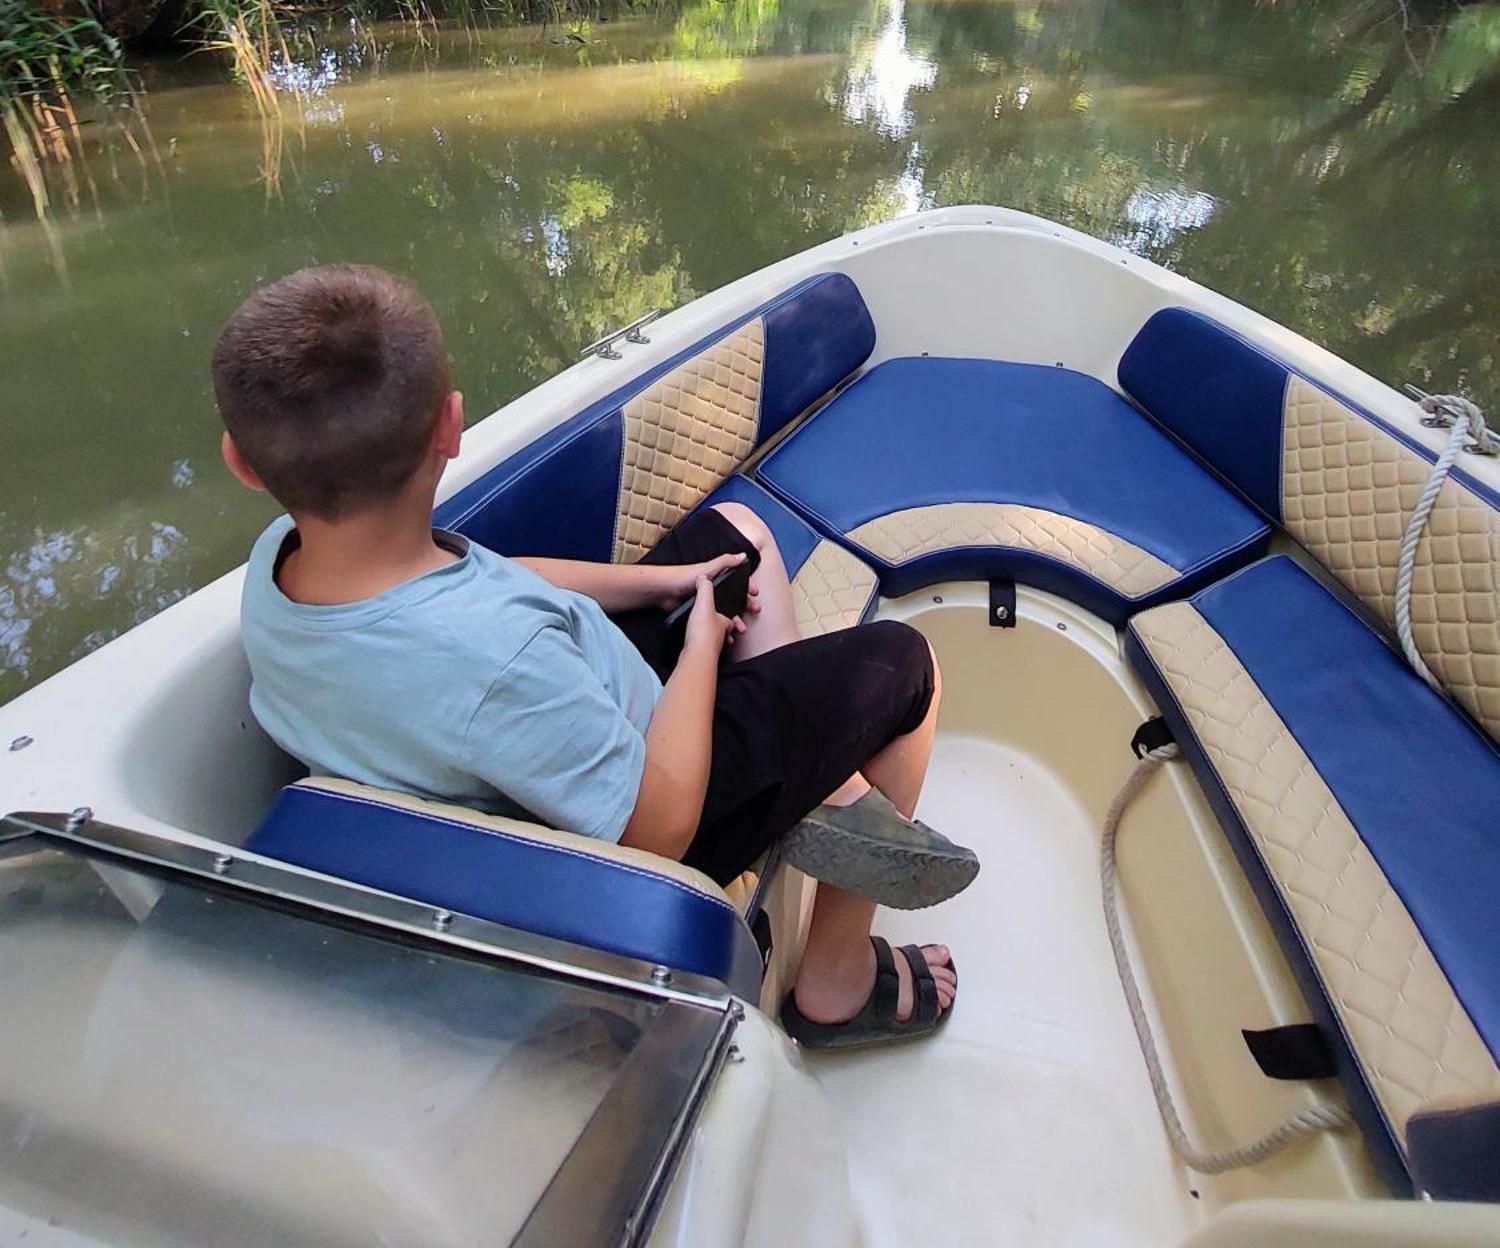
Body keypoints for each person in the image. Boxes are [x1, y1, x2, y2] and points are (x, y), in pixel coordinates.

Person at [216, 263, 978, 1048]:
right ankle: (835, 983)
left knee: (739, 537)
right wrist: (702, 649)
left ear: (243, 462)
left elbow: (486, 580)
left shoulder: (282, 560)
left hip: (562, 719)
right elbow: (660, 832)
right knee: (905, 665)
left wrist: (662, 585)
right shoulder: (497, 659)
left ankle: (824, 786)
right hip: (654, 792)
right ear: (451, 427)